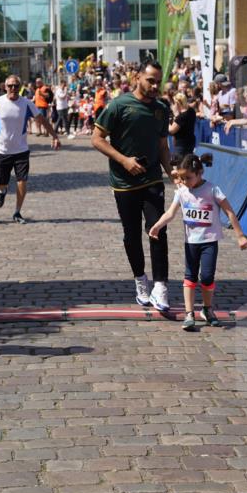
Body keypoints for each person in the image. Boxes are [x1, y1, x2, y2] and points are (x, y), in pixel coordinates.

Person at [92, 60, 173, 312]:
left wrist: (173, 174)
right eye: (150, 80)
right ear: (138, 77)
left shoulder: (161, 108)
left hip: (152, 179)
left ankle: (161, 286)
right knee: (132, 234)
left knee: (157, 229)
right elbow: (97, 139)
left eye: (158, 81)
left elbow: (162, 146)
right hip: (124, 182)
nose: (154, 86)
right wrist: (124, 161)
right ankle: (141, 280)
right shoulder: (118, 105)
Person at [149, 152, 247, 331]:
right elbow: (171, 213)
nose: (185, 181)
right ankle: (189, 314)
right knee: (190, 276)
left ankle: (207, 309)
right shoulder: (182, 192)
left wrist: (240, 235)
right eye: (181, 178)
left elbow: (229, 211)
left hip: (209, 241)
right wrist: (157, 225)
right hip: (191, 242)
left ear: (200, 173)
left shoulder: (212, 190)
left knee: (207, 277)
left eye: (188, 177)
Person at [0, 74, 60, 224]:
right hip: (1, 150)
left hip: (21, 150)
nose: (13, 88)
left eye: (16, 86)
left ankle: (17, 212)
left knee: (22, 181)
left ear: (20, 88)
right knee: (2, 182)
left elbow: (41, 120)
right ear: (5, 87)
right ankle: (2, 191)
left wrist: (54, 136)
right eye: (10, 86)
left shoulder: (26, 103)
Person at [169, 92, 196, 157]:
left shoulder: (182, 116)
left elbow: (171, 130)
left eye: (174, 103)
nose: (172, 105)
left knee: (181, 165)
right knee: (188, 164)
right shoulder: (191, 111)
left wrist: (166, 122)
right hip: (190, 142)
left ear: (177, 103)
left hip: (181, 145)